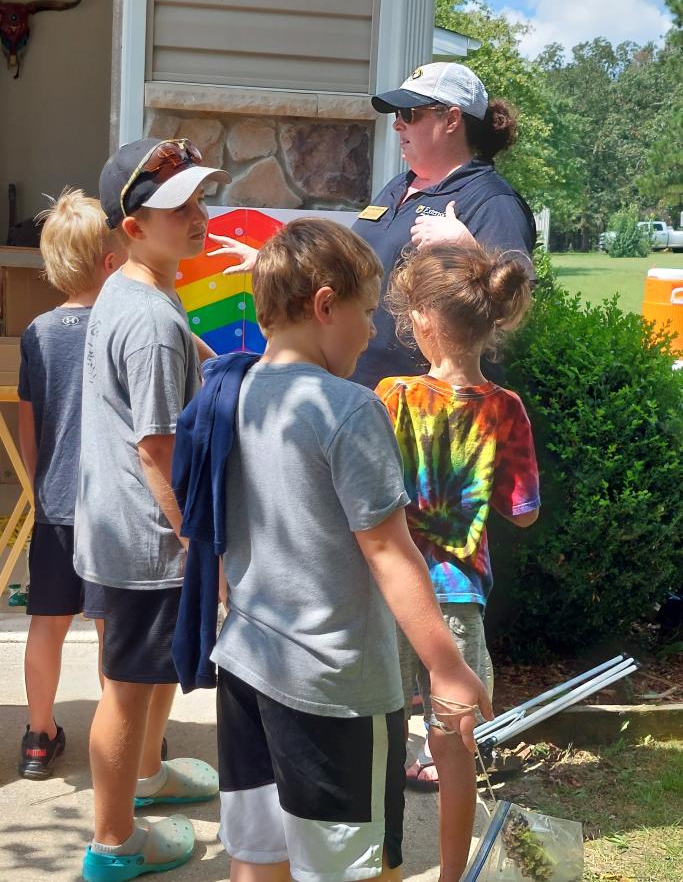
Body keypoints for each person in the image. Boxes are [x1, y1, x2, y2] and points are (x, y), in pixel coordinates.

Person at [208, 218, 493, 882]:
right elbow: (389, 551)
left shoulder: (232, 391)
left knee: (258, 856)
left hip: (246, 666)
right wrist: (446, 667)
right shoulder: (348, 408)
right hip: (331, 688)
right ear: (324, 304)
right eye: (365, 313)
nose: (371, 332)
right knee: (357, 869)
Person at [76, 138, 230, 882]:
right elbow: (156, 452)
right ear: (132, 227)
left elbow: (172, 351)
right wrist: (200, 542)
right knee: (126, 688)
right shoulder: (153, 321)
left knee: (149, 671)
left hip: (118, 525)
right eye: (180, 208)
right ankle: (113, 844)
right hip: (145, 537)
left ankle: (147, 777)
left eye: (201, 199)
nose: (199, 216)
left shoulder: (138, 287)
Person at [203, 62, 536, 391]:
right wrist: (274, 262)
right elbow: (351, 267)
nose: (397, 126)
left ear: (451, 119)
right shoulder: (398, 186)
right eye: (396, 116)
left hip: (430, 412)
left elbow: (511, 307)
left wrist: (466, 247)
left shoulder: (491, 199)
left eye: (410, 115)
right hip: (364, 392)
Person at [375, 242, 540, 881]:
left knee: (382, 741)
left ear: (422, 321)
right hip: (458, 600)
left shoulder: (390, 394)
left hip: (391, 593)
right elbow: (523, 511)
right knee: (455, 750)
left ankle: (381, 866)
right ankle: (451, 875)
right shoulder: (506, 410)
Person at [17, 189, 125, 780]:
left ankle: (38, 734)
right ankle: (124, 731)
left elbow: (31, 425)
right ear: (110, 259)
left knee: (47, 623)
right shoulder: (123, 324)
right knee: (113, 626)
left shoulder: (37, 332)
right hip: (113, 506)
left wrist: (40, 491)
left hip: (56, 504)